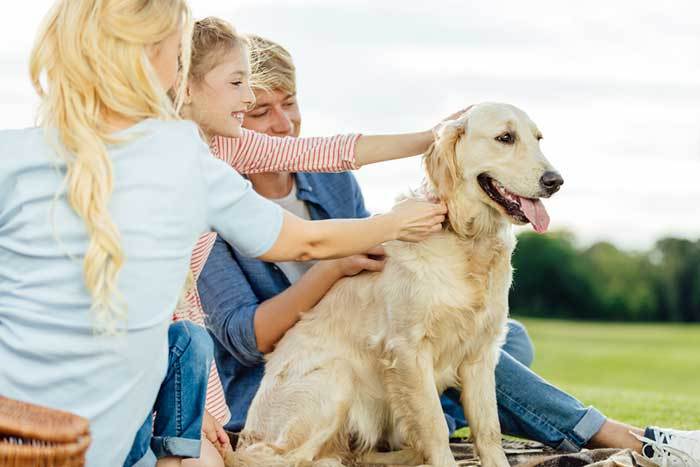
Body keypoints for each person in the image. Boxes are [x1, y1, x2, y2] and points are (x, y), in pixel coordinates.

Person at [196, 34, 700, 467]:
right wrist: (335, 267)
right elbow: (244, 339)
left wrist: (437, 142)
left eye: (292, 102)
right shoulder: (213, 200)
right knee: (451, 353)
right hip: (277, 381)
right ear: (233, 111)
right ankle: (607, 433)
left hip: (368, 354)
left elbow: (354, 181)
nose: (284, 123)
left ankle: (418, 426)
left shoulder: (329, 182)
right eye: (261, 110)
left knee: (503, 341)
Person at [0, 2, 463, 465]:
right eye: (181, 55)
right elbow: (302, 242)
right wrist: (395, 223)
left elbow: (332, 152)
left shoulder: (17, 155)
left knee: (188, 353)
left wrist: (431, 136)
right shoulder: (183, 156)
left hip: (159, 351)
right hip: (148, 362)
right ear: (166, 68)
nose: (247, 98)